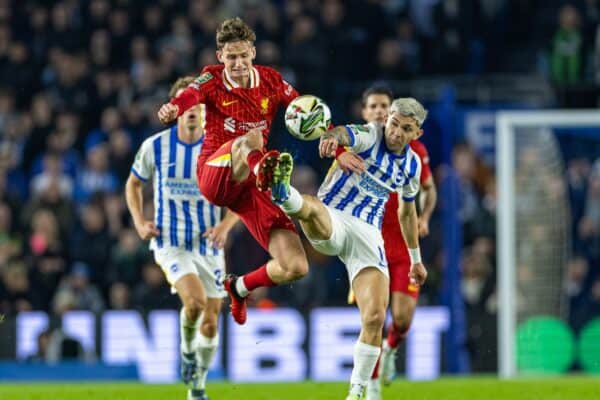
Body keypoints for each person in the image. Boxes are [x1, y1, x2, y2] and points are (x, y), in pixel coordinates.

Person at [265, 97, 428, 400]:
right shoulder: (371, 134)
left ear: (416, 134)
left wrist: (415, 259)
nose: (396, 132)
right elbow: (343, 134)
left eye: (406, 129)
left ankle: (356, 393)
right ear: (387, 119)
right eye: (393, 123)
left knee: (375, 317)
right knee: (312, 208)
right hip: (336, 217)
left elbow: (407, 213)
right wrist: (331, 138)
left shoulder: (412, 166)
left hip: (368, 236)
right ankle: (283, 192)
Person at [157, 17, 309, 326]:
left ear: (253, 52)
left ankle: (239, 287)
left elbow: (304, 110)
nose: (237, 63)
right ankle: (266, 172)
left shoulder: (271, 80)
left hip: (249, 187)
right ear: (220, 57)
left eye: (242, 55)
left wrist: (333, 137)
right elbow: (190, 96)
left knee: (296, 266)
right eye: (231, 57)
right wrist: (175, 106)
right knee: (249, 140)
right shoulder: (211, 79)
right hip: (215, 174)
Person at [126, 77, 238, 400]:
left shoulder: (219, 150)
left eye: (197, 104)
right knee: (195, 303)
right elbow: (133, 184)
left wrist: (225, 227)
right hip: (170, 243)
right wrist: (139, 221)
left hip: (208, 244)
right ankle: (187, 352)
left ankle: (197, 387)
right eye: (184, 103)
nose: (191, 110)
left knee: (212, 323)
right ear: (176, 109)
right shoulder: (155, 146)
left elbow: (241, 197)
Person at [337, 87, 437, 399]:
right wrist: (338, 152)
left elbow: (428, 189)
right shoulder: (362, 142)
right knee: (373, 318)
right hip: (368, 243)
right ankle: (373, 386)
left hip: (402, 243)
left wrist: (425, 217)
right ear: (367, 113)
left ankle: (391, 347)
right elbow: (337, 142)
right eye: (375, 107)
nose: (380, 112)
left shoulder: (415, 155)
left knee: (403, 317)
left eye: (384, 106)